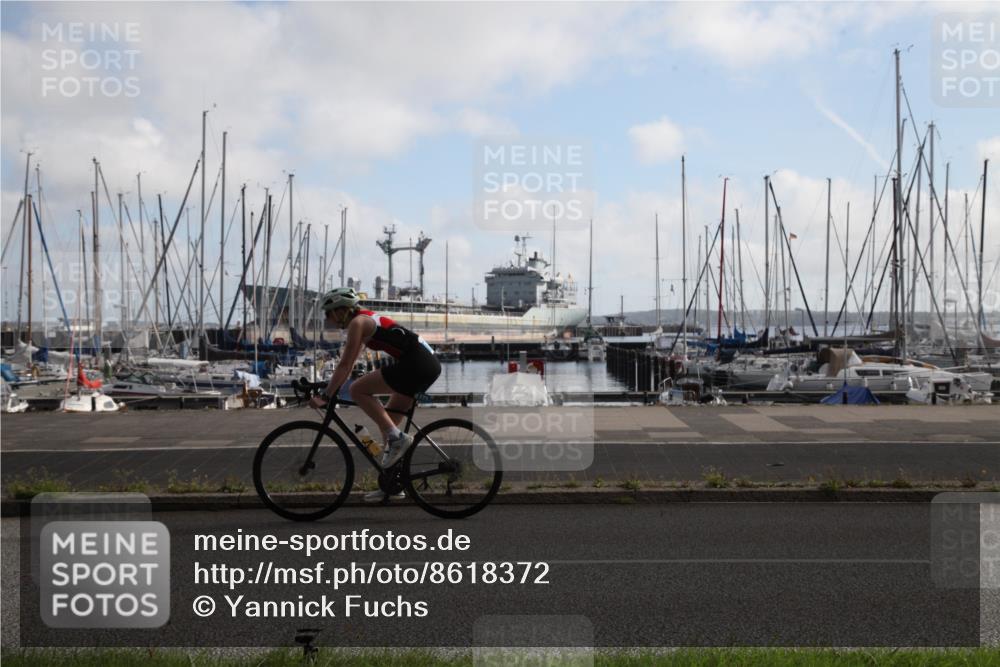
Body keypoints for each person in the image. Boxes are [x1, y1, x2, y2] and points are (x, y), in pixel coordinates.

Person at [309, 287, 441, 502]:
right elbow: (348, 364)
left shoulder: (357, 323)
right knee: (387, 424)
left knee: (357, 389)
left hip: (416, 365)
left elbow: (345, 365)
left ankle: (398, 438)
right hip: (426, 364)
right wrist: (329, 387)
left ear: (341, 310)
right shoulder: (364, 320)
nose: (328, 319)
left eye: (329, 313)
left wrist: (325, 395)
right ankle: (393, 485)